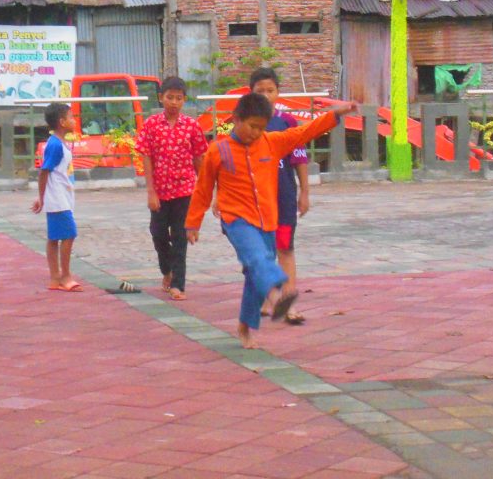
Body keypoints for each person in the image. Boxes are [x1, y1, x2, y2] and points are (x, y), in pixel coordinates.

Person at [186, 93, 357, 349]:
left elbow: (304, 133)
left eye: (261, 127)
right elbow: (203, 188)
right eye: (252, 126)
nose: (256, 132)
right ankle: (278, 296)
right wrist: (193, 223)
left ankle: (246, 324)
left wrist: (336, 114)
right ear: (236, 119)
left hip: (267, 221)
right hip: (236, 220)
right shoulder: (218, 151)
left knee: (255, 272)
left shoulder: (271, 143)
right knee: (257, 259)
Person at [135, 76, 208, 300]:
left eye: (178, 98)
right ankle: (166, 269)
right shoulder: (151, 124)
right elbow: (146, 156)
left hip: (184, 190)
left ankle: (178, 284)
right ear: (161, 98)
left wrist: (204, 191)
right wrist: (150, 191)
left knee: (179, 237)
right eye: (169, 97)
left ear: (184, 100)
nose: (174, 102)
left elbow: (199, 158)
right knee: (158, 234)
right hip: (159, 190)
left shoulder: (192, 126)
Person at [249, 68, 309, 325]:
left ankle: (289, 302)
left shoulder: (287, 123)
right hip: (255, 199)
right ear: (250, 93)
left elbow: (299, 158)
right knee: (262, 251)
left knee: (285, 247)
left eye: (270, 90)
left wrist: (304, 191)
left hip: (283, 197)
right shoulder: (244, 123)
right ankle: (264, 299)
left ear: (278, 92)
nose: (265, 95)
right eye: (259, 91)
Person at [31, 103, 82, 291]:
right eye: (71, 117)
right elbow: (44, 171)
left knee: (54, 238)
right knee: (69, 234)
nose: (73, 120)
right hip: (58, 198)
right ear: (62, 122)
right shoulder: (55, 145)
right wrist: (42, 197)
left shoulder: (59, 143)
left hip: (62, 197)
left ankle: (55, 278)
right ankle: (65, 275)